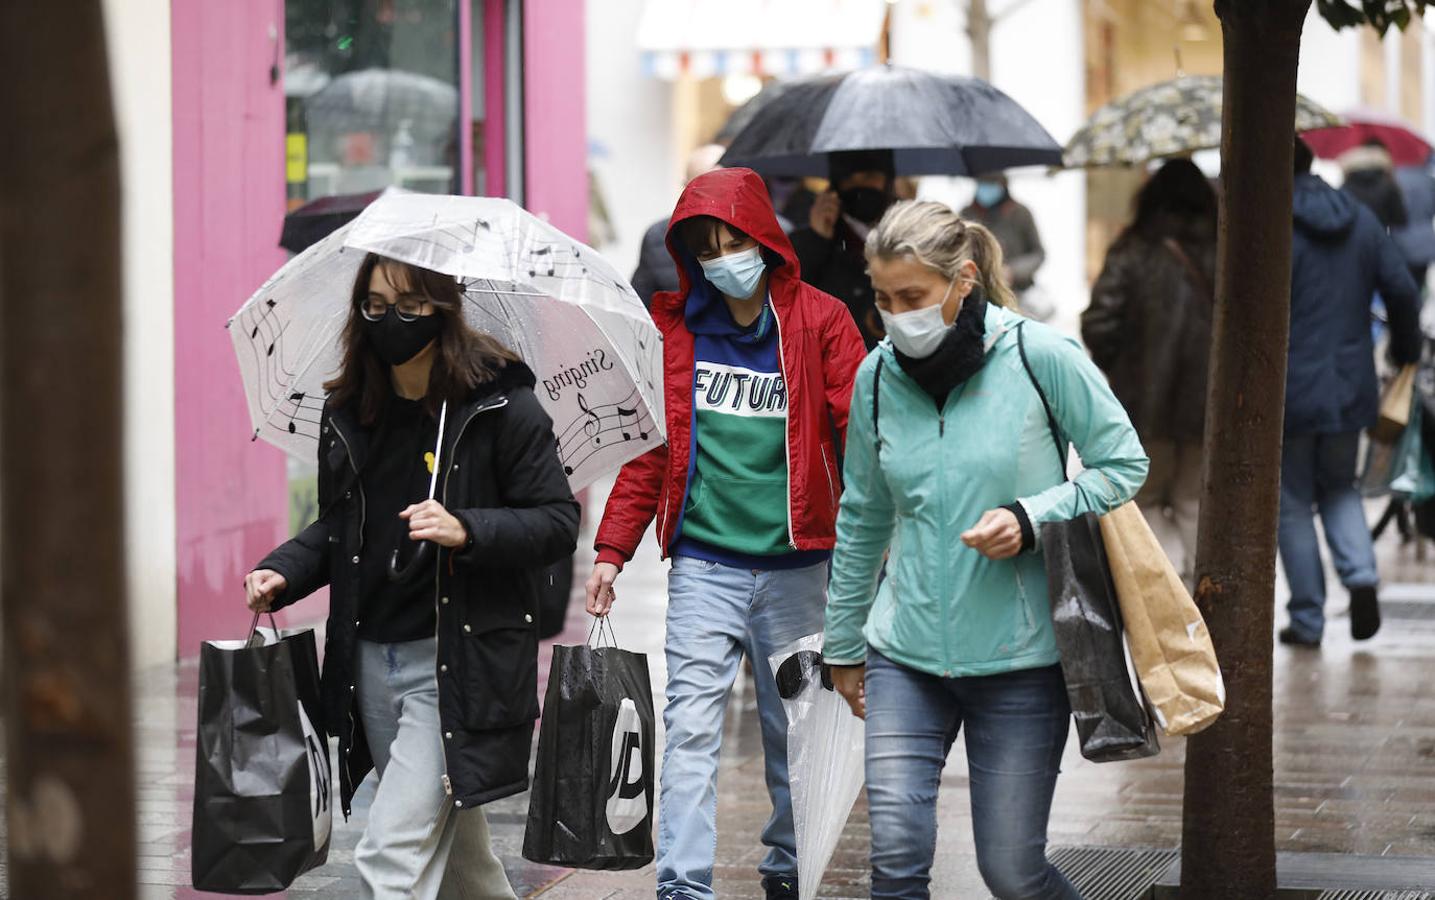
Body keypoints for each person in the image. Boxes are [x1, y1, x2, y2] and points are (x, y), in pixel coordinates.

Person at [824, 200, 1148, 900]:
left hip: (1020, 664)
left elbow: (1123, 466)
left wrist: (1032, 515)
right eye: (881, 299)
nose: (892, 315)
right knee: (896, 861)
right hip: (902, 654)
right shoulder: (876, 378)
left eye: (911, 297)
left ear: (963, 279)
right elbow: (862, 516)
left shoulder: (1040, 355)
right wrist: (844, 643)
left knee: (1010, 872)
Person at [244, 254, 580, 899]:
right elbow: (339, 528)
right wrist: (280, 571)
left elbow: (556, 522)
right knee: (463, 865)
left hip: (458, 661)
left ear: (442, 311)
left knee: (391, 852)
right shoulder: (350, 410)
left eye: (408, 307)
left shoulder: (501, 407)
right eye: (373, 305)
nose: (389, 321)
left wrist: (468, 528)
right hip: (370, 658)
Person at [585, 167, 866, 900]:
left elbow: (860, 434)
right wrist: (612, 549)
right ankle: (681, 885)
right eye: (704, 247)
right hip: (705, 565)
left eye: (731, 241)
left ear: (764, 239)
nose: (721, 260)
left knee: (793, 733)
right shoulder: (673, 331)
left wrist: (878, 539)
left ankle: (783, 868)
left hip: (799, 565)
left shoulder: (820, 321)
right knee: (689, 729)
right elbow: (652, 451)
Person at [1280, 138, 1422, 647]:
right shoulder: (1359, 218)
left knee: (1292, 502)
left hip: (1287, 388)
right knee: (1341, 488)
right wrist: (1405, 351)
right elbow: (1403, 289)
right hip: (1348, 382)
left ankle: (1308, 618)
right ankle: (1360, 576)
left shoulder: (1269, 221)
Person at [1081, 159, 1217, 586]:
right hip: (1206, 406)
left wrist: (1125, 368)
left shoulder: (1133, 248)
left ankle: (1167, 587)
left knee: (1148, 497)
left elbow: (1099, 323)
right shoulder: (1226, 248)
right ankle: (1203, 597)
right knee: (1195, 501)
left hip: (1144, 406)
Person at [790, 149, 900, 348]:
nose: (861, 186)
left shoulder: (908, 235)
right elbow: (789, 299)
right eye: (849, 178)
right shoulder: (810, 240)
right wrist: (815, 239)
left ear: (887, 180)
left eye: (869, 176)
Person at [631, 144, 729, 308]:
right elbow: (640, 307)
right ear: (685, 188)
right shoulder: (659, 238)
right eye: (703, 191)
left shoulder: (763, 230)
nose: (712, 201)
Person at [960, 172, 1046, 296]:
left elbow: (1038, 254)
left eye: (991, 184)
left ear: (1002, 185)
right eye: (982, 184)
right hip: (976, 290)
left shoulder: (1020, 213)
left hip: (1017, 291)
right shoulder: (967, 214)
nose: (986, 189)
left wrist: (1012, 271)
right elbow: (957, 252)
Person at [1339, 138, 1408, 231]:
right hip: (1380, 237)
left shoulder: (1345, 186)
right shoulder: (1388, 185)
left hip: (1352, 240)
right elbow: (1400, 220)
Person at [1393, 152, 1435, 292]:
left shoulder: (1394, 177)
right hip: (1425, 241)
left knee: (1401, 284)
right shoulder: (1428, 179)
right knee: (1418, 282)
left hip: (1399, 240)